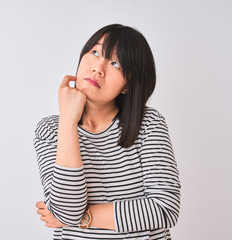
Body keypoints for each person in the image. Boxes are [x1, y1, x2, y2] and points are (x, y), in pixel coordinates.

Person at [33, 24, 180, 240]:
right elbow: (66, 210)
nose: (98, 68)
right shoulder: (49, 130)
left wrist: (83, 217)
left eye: (115, 63)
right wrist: (67, 121)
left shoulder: (148, 124)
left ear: (127, 85)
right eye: (95, 52)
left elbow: (165, 209)